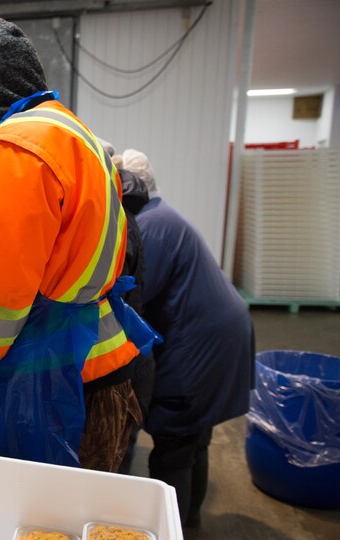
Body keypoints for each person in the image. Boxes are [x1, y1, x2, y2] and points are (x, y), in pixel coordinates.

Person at [0, 18, 159, 469]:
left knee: (47, 521)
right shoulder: (77, 136)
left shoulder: (18, 148)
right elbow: (56, 254)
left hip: (60, 377)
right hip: (102, 359)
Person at [121, 149, 254, 528]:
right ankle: (191, 520)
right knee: (195, 438)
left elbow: (137, 297)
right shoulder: (162, 215)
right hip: (223, 333)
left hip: (200, 345)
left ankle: (172, 527)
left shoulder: (148, 226)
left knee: (175, 444)